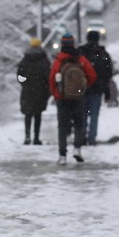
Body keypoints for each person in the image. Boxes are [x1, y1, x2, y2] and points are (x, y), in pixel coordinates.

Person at [49, 33, 97, 164]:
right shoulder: (80, 59)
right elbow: (92, 74)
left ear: (62, 44)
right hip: (78, 97)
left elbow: (52, 79)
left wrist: (57, 94)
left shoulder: (59, 60)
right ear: (73, 43)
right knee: (79, 124)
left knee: (63, 126)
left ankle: (62, 155)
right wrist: (83, 87)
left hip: (62, 98)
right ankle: (77, 148)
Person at [78, 30, 113, 145]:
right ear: (98, 39)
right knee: (94, 115)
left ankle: (81, 136)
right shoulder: (103, 54)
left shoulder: (80, 53)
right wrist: (107, 93)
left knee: (82, 114)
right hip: (97, 90)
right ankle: (92, 138)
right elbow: (108, 76)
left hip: (82, 89)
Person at [16, 37, 51, 145]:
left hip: (28, 90)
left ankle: (27, 137)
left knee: (28, 114)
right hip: (41, 90)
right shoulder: (44, 60)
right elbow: (48, 76)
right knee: (38, 114)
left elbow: (19, 75)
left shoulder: (25, 59)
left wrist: (25, 84)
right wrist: (46, 88)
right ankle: (36, 138)